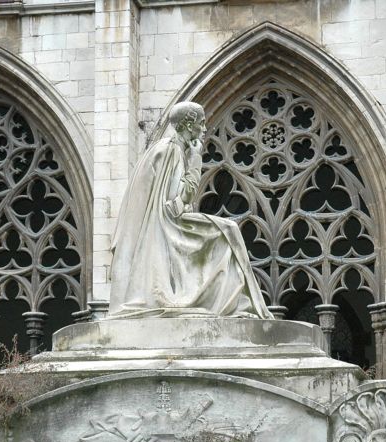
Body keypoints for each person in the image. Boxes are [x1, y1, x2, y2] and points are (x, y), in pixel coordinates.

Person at [108, 101, 273, 319]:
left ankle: (229, 302)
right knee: (228, 231)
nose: (204, 129)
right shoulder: (172, 151)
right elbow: (178, 200)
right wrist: (196, 159)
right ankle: (229, 304)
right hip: (167, 226)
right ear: (188, 124)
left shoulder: (164, 149)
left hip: (163, 223)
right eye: (201, 123)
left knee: (225, 229)